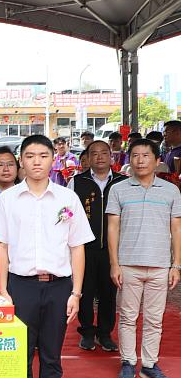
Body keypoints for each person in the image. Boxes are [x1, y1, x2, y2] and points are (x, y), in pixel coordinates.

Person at [0, 135, 94, 378]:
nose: (37, 161)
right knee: (20, 356)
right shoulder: (8, 199)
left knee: (51, 356)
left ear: (53, 160)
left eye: (43, 156)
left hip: (58, 287)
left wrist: (76, 292)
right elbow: (1, 245)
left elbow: (77, 247)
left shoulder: (67, 198)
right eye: (30, 155)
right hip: (20, 286)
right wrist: (3, 290)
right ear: (21, 160)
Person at [107, 138, 181, 378]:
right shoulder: (119, 189)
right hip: (128, 264)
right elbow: (113, 227)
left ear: (157, 160)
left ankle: (149, 364)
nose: (140, 160)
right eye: (135, 155)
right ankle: (128, 362)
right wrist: (114, 263)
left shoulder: (171, 191)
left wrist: (176, 265)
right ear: (130, 160)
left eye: (145, 155)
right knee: (127, 317)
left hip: (160, 265)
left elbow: (176, 228)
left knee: (154, 319)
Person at [68, 140, 127, 352]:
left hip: (113, 250)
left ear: (111, 156)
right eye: (94, 153)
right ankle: (87, 332)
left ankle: (104, 333)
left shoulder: (123, 182)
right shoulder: (77, 182)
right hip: (85, 248)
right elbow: (68, 215)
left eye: (104, 153)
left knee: (108, 293)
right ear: (87, 158)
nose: (100, 157)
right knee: (84, 290)